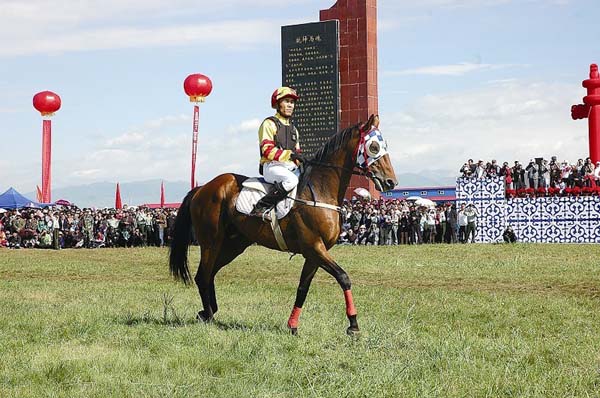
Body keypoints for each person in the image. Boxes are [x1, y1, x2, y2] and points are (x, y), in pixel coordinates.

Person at [250, 87, 306, 217]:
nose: (290, 105)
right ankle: (261, 206)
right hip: (271, 166)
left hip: (288, 167)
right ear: (277, 104)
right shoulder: (269, 124)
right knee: (291, 181)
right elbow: (267, 150)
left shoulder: (294, 129)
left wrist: (301, 160)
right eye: (286, 101)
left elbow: (297, 152)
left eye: (292, 102)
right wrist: (290, 155)